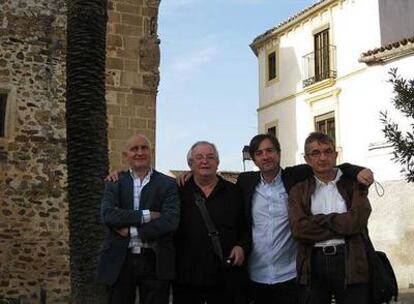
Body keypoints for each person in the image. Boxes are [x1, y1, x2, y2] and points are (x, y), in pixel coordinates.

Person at [235, 133, 373, 304]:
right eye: (259, 153)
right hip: (261, 272)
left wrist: (358, 170)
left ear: (278, 153)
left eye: (270, 150)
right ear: (254, 159)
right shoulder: (245, 182)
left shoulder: (294, 178)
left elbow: (356, 221)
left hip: (293, 273)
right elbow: (300, 229)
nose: (265, 156)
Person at [288, 132, 371, 304]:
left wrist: (317, 221)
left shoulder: (354, 185)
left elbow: (356, 222)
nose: (323, 157)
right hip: (313, 262)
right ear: (307, 159)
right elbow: (299, 229)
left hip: (350, 260)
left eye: (328, 151)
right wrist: (341, 222)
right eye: (316, 153)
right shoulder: (298, 190)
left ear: (336, 155)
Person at [97, 133, 180, 304]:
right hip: (120, 260)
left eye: (144, 148)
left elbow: (170, 221)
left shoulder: (168, 184)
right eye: (134, 149)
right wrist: (147, 215)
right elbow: (108, 216)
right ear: (125, 155)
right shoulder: (114, 182)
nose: (139, 152)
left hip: (155, 259)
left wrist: (132, 231)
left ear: (152, 152)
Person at [173, 141, 250, 304]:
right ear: (190, 164)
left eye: (210, 157)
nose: (204, 161)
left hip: (226, 278)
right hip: (188, 279)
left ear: (217, 162)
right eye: (199, 157)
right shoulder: (178, 192)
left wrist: (242, 246)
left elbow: (247, 228)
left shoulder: (234, 192)